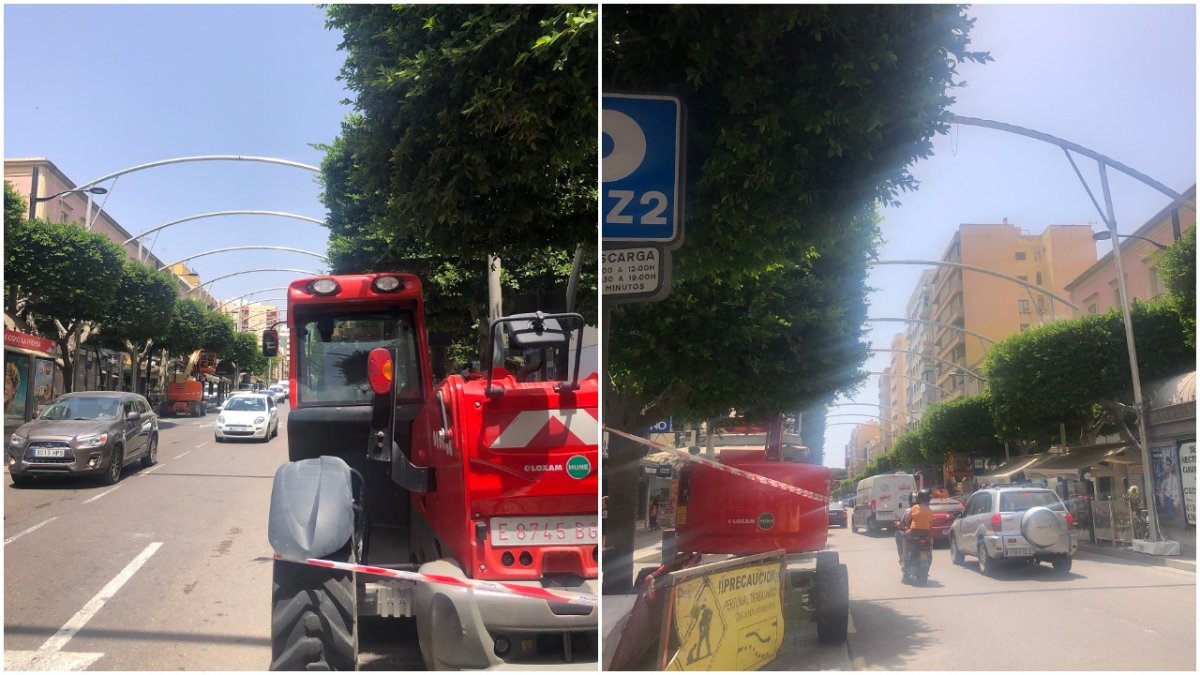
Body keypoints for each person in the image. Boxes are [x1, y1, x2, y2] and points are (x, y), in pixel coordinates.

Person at [899, 489, 933, 562]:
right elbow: (931, 524)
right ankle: (930, 553)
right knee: (931, 540)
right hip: (926, 532)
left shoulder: (914, 507)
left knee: (904, 536)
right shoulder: (929, 509)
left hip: (914, 531)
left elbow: (907, 519)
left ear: (919, 498)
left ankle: (904, 555)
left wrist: (906, 524)